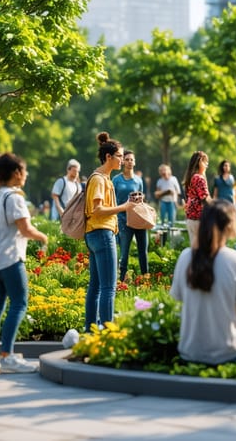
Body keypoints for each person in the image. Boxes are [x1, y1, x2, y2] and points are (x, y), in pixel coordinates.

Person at [169, 200, 236, 365]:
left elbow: (176, 300)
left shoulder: (186, 256)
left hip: (190, 352)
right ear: (230, 226)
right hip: (230, 352)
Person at [0, 153, 48, 374]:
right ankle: (8, 355)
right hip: (11, 259)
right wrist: (43, 238)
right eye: (24, 171)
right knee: (19, 303)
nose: (25, 175)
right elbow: (25, 229)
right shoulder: (15, 198)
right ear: (17, 173)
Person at [85, 132, 137, 332]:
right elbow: (97, 210)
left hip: (94, 234)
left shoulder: (103, 177)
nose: (123, 160)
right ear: (109, 157)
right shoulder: (99, 179)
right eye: (120, 156)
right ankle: (108, 332)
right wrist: (124, 207)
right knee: (109, 287)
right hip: (102, 233)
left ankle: (90, 330)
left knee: (96, 287)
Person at [112, 150, 148, 281]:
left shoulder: (139, 180)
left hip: (138, 219)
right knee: (124, 252)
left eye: (131, 159)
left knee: (143, 251)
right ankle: (121, 280)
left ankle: (146, 278)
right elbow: (112, 200)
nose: (129, 162)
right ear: (122, 162)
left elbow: (142, 198)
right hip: (123, 220)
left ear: (135, 162)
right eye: (126, 159)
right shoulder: (116, 180)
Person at [183, 151, 211, 249]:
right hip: (200, 218)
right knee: (204, 250)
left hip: (190, 218)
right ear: (199, 162)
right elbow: (205, 198)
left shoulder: (190, 178)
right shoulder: (199, 178)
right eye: (205, 161)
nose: (207, 164)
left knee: (194, 250)